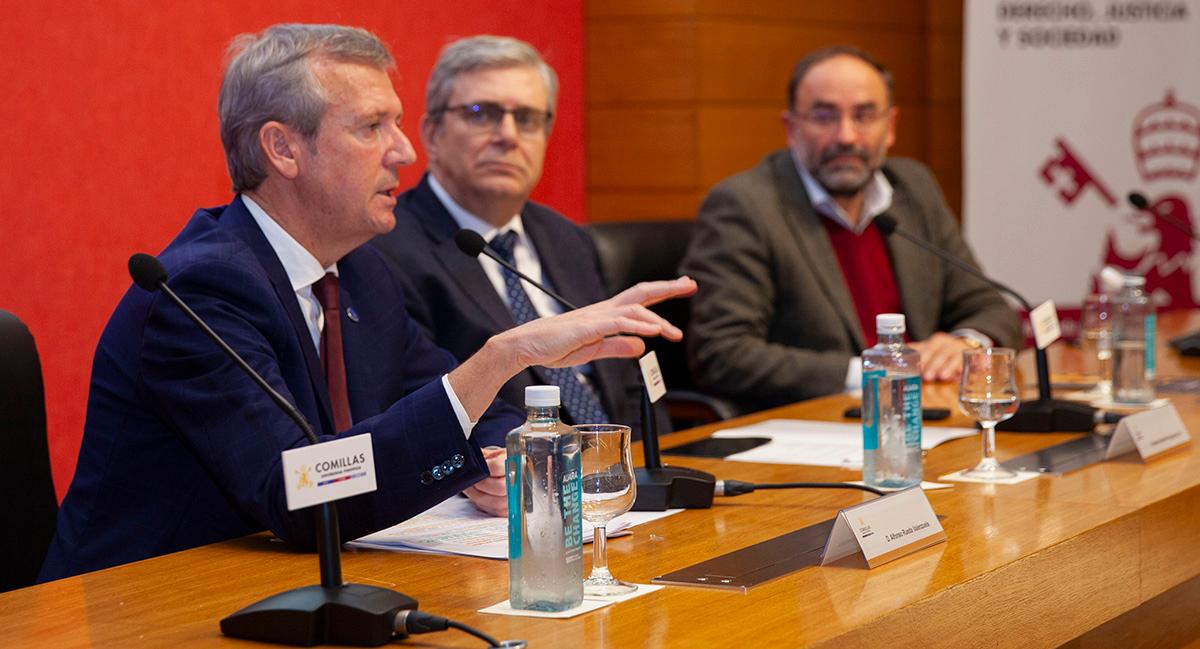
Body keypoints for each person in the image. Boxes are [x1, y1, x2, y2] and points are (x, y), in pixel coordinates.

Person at [40, 23, 694, 581]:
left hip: (280, 585)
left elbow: (458, 413)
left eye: (399, 123)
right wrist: (502, 353)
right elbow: (299, 493)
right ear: (283, 148)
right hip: (148, 607)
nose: (405, 152)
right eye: (372, 127)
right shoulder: (200, 293)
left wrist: (492, 464)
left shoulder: (359, 274)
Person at [680, 45, 1020, 415]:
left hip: (928, 414)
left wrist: (964, 346)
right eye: (824, 117)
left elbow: (991, 307)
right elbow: (722, 353)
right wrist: (874, 372)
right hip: (818, 429)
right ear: (791, 129)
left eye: (864, 115)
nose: (846, 136)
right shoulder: (746, 206)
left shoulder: (912, 189)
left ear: (890, 127)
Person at [372, 36, 666, 438]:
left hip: (619, 473)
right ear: (433, 134)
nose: (508, 135)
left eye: (527, 118)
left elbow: (626, 382)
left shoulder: (566, 239)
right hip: (510, 478)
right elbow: (422, 402)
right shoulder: (388, 249)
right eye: (482, 113)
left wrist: (657, 459)